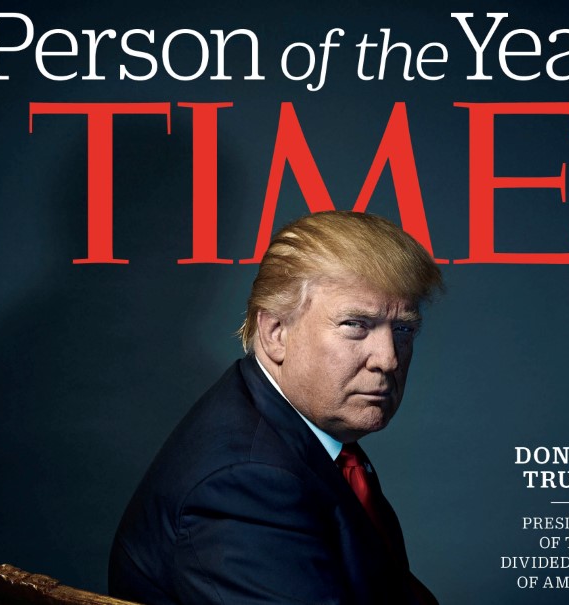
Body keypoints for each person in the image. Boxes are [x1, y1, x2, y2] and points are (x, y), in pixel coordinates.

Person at [109, 211, 443, 605]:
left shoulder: (304, 434)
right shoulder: (245, 483)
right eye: (356, 324)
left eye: (403, 329)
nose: (387, 359)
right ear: (275, 333)